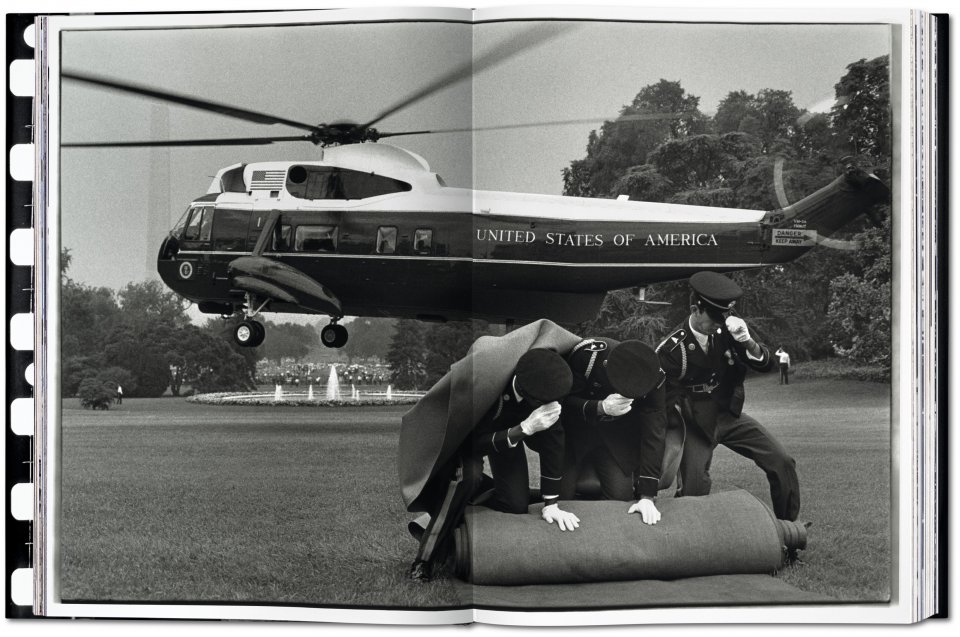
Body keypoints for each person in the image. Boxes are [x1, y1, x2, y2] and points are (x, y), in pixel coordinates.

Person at [398, 320, 583, 581]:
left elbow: (555, 446)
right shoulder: (486, 385)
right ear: (528, 392)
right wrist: (523, 429)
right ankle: (423, 561)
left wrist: (551, 504)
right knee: (466, 478)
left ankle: (463, 507)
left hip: (509, 435)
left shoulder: (546, 389)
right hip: (468, 436)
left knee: (515, 504)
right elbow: (469, 441)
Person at [655, 271, 800, 521]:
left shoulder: (728, 330)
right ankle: (690, 536)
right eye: (713, 319)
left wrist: (748, 342)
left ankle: (789, 529)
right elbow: (660, 401)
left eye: (722, 319)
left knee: (782, 461)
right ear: (695, 310)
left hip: (728, 413)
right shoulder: (672, 349)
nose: (718, 325)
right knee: (694, 488)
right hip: (694, 421)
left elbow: (766, 364)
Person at [562, 338, 668, 525]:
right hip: (576, 433)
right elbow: (562, 402)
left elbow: (654, 433)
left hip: (616, 437)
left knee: (621, 499)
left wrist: (647, 496)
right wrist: (598, 407)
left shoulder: (655, 377)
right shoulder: (589, 357)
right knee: (560, 497)